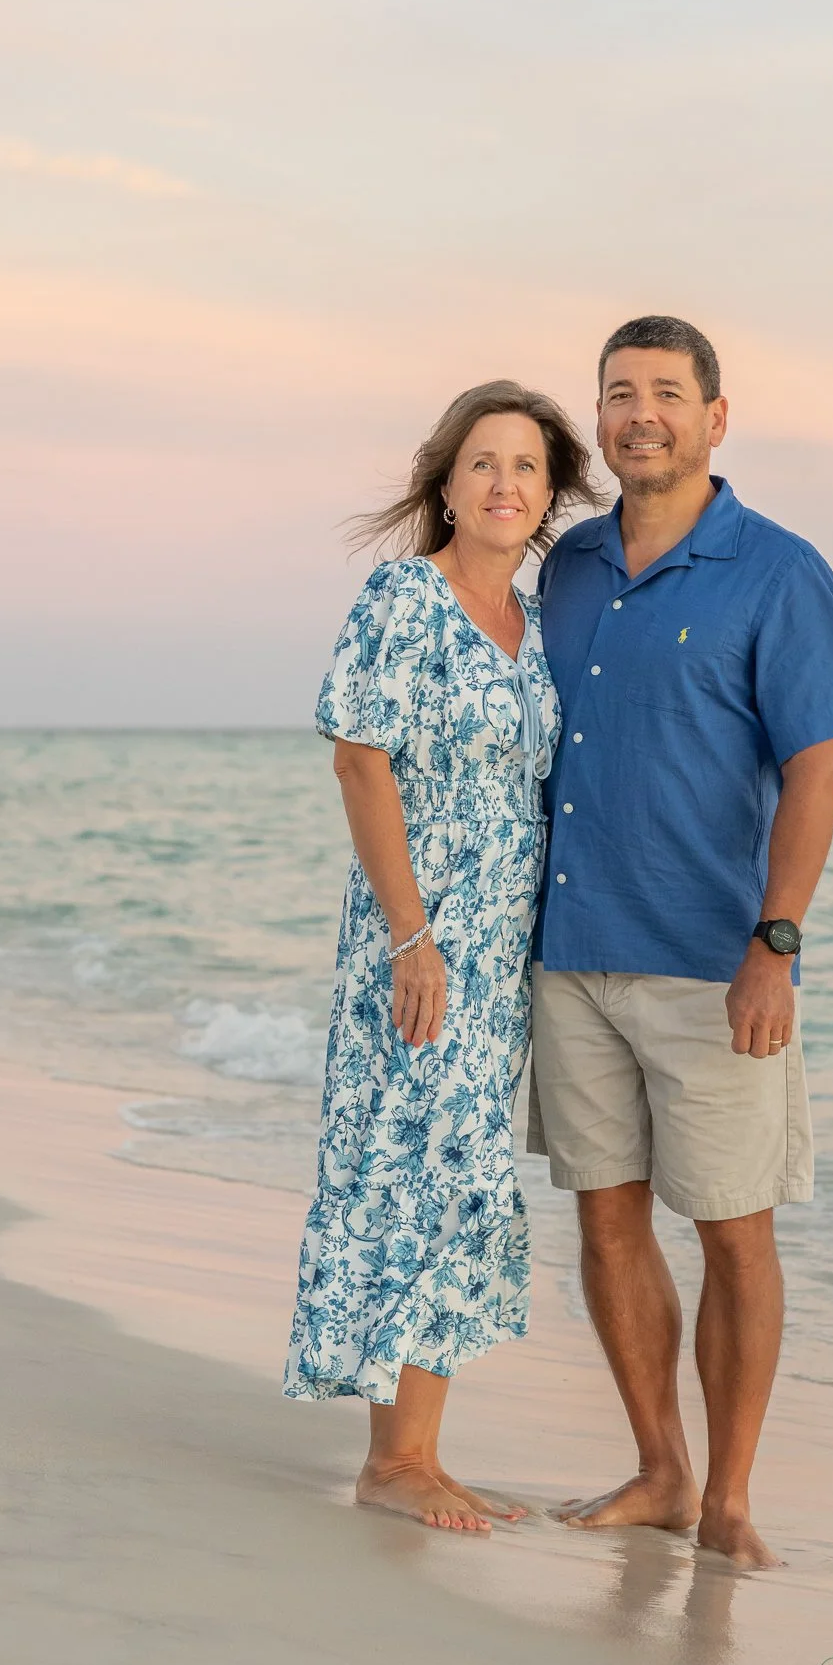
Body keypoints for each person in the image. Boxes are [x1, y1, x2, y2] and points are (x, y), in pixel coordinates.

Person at [528, 315, 833, 1569]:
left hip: (710, 961)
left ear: (715, 418)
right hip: (566, 951)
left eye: (667, 394)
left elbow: (816, 768)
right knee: (605, 1215)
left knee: (734, 1225)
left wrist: (774, 943)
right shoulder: (566, 565)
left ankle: (729, 1492)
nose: (641, 414)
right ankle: (659, 1469)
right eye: (619, 393)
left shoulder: (777, 571)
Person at [285, 380, 603, 1535]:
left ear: (548, 493)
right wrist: (413, 938)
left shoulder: (532, 629)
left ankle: (421, 1449)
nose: (505, 485)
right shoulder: (404, 598)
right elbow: (359, 763)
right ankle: (390, 1459)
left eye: (525, 467)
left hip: (498, 956)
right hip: (415, 944)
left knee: (464, 1180)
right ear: (446, 484)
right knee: (403, 1175)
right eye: (482, 464)